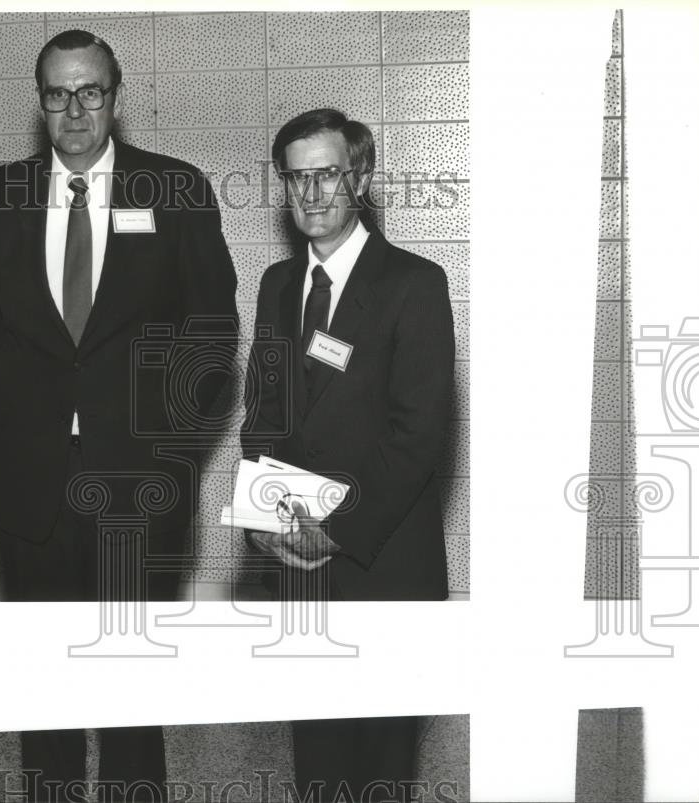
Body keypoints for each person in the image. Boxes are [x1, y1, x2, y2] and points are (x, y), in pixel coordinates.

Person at [0, 29, 237, 802]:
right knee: (43, 683)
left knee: (128, 689)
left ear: (116, 97)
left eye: (90, 91)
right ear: (40, 102)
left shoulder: (175, 190)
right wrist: (31, 428)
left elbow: (212, 336)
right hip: (34, 485)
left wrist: (168, 451)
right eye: (57, 93)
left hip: (139, 484)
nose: (75, 109)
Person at [242, 110, 455, 801]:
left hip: (382, 563)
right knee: (319, 764)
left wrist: (332, 528)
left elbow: (417, 437)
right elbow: (263, 418)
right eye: (296, 177)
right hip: (300, 571)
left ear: (358, 177)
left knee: (382, 768)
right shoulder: (277, 286)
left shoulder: (414, 284)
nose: (311, 193)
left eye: (326, 173)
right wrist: (266, 515)